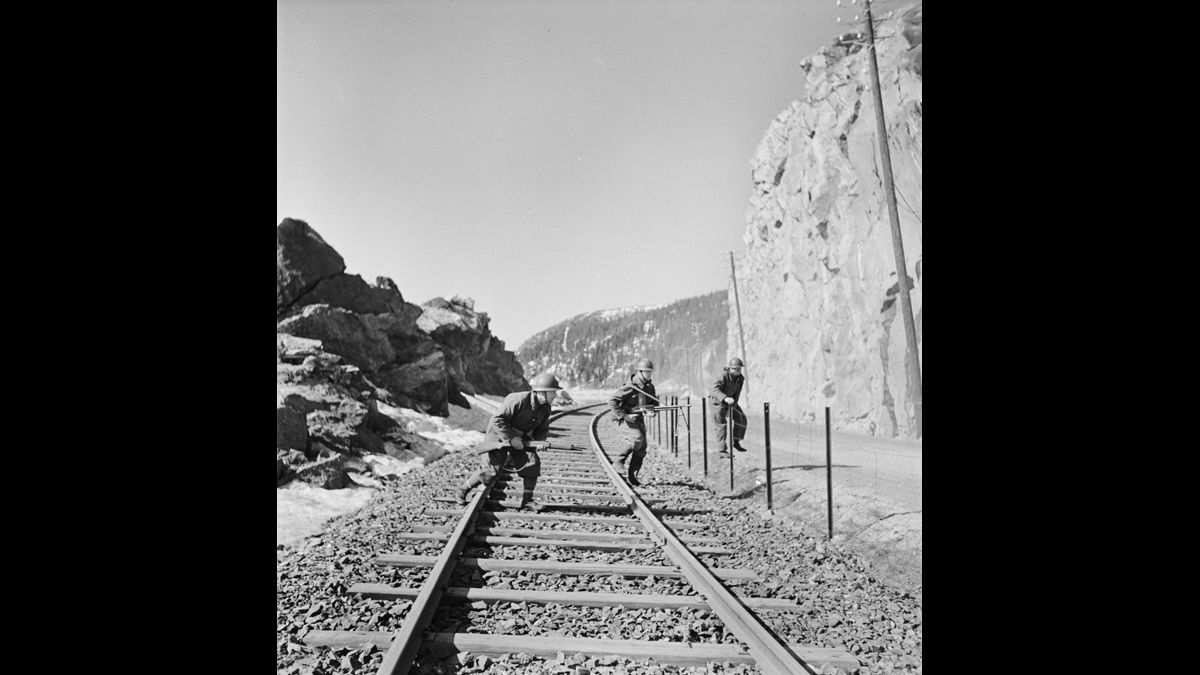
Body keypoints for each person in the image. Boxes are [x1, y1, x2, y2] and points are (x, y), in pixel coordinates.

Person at [456, 373, 562, 511]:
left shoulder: (546, 408)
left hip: (521, 438)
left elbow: (542, 429)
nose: (555, 395)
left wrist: (540, 442)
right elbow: (497, 420)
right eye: (553, 392)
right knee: (491, 472)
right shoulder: (518, 399)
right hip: (498, 434)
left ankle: (527, 502)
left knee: (532, 463)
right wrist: (511, 438)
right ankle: (462, 489)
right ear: (542, 392)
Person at [607, 358, 658, 486]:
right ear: (639, 372)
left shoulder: (650, 387)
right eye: (646, 372)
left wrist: (651, 411)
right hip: (623, 418)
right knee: (636, 439)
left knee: (642, 448)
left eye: (650, 372)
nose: (649, 374)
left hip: (638, 419)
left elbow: (653, 404)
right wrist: (625, 416)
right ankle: (618, 461)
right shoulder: (630, 386)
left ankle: (633, 477)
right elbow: (612, 401)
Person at [710, 357, 748, 457]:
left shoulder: (740, 379)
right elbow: (714, 390)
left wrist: (732, 408)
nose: (738, 370)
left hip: (730, 401)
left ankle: (736, 442)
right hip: (717, 402)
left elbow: (737, 395)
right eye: (735, 369)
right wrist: (725, 398)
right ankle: (722, 451)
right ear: (730, 368)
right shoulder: (723, 375)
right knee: (721, 425)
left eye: (739, 368)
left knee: (741, 418)